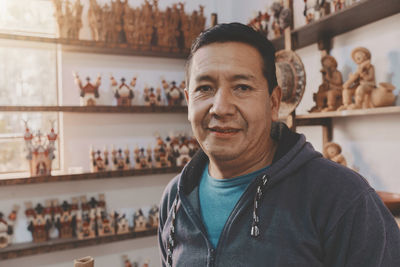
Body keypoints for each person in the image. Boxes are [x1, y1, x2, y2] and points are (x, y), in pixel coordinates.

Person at [158, 23, 400, 267]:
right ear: (188, 101)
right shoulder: (176, 197)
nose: (220, 108)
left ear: (274, 103)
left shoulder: (342, 197)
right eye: (205, 88)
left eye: (242, 87)